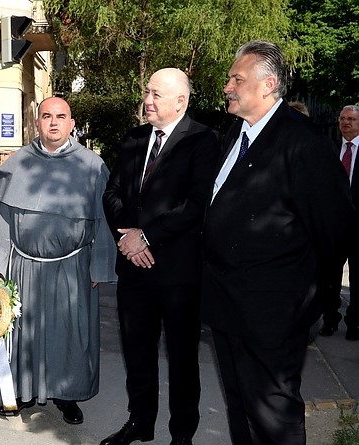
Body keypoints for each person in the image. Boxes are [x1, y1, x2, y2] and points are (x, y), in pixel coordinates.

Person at [201, 41, 354, 445]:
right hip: (227, 305)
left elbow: (335, 230)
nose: (227, 87)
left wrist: (309, 300)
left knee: (272, 418)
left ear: (268, 85)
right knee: (239, 407)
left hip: (273, 313)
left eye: (237, 79)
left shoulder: (304, 143)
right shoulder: (236, 133)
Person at [100, 68, 220, 445]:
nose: (147, 100)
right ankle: (140, 422)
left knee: (182, 358)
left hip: (178, 273)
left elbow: (197, 204)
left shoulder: (203, 140)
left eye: (156, 94)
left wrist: (147, 236)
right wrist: (129, 238)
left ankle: (182, 433)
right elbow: (112, 193)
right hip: (134, 269)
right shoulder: (134, 138)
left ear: (181, 101)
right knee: (137, 352)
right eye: (147, 92)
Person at [0, 96, 117, 425]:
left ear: (72, 124)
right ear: (37, 122)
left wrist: (99, 266)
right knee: (23, 333)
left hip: (73, 267)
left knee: (70, 335)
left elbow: (104, 220)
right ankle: (23, 392)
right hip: (24, 267)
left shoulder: (92, 166)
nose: (53, 122)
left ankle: (67, 395)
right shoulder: (16, 164)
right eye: (46, 116)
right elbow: (1, 217)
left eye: (61, 116)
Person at [319, 105, 359, 340]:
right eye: (343, 118)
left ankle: (355, 323)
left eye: (351, 119)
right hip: (333, 227)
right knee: (330, 278)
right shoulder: (330, 149)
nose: (346, 122)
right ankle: (329, 320)